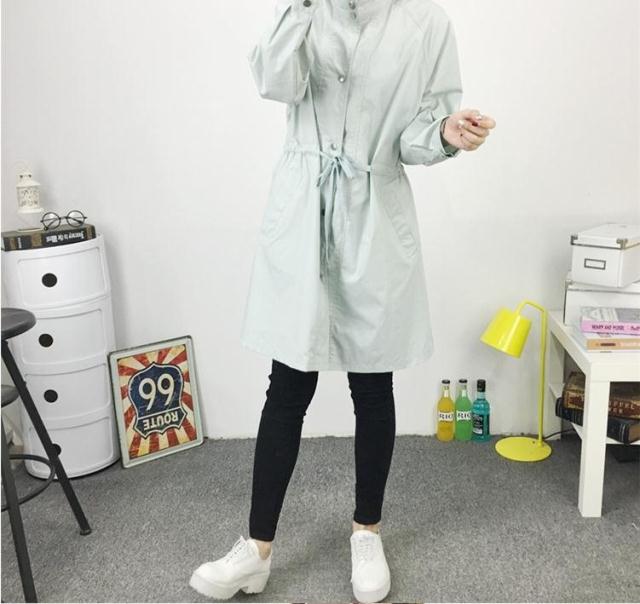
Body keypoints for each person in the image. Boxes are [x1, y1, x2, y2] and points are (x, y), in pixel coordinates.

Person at [190, 0, 496, 601]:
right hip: (304, 212)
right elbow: (273, 80)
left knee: (372, 384)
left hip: (374, 214)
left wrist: (444, 133)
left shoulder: (426, 23)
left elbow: (416, 133)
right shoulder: (305, 10)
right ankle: (257, 550)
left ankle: (367, 532)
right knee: (287, 384)